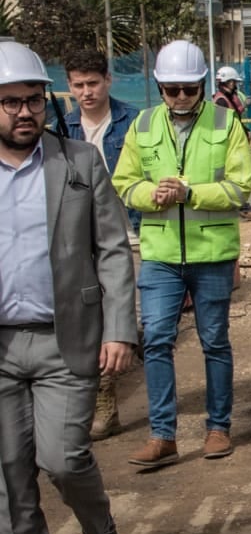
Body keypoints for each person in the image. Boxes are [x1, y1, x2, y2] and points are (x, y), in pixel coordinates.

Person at [0, 42, 135, 534]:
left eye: (32, 100)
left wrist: (119, 328)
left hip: (66, 340)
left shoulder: (78, 162)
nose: (23, 112)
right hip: (1, 349)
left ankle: (98, 528)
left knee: (63, 456)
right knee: (8, 469)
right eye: (9, 103)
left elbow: (111, 251)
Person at [113, 40, 251, 467]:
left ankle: (218, 428)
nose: (180, 97)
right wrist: (150, 194)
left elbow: (241, 187)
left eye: (188, 89)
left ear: (201, 85)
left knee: (214, 341)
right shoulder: (142, 127)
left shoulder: (226, 124)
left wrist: (190, 192)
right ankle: (163, 435)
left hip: (211, 253)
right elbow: (124, 182)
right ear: (160, 88)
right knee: (156, 340)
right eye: (172, 90)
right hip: (160, 255)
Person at [63, 48, 138, 440]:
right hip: (83, 238)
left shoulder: (132, 122)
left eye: (93, 83)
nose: (86, 92)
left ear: (108, 80)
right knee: (95, 321)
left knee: (131, 321)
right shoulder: (63, 127)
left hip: (132, 232)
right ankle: (104, 402)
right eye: (78, 85)